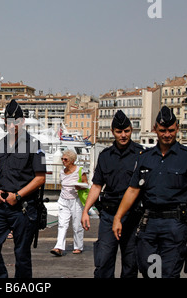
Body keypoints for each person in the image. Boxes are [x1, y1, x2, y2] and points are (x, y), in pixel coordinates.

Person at [112, 106, 187, 278]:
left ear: (177, 128)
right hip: (149, 225)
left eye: (171, 130)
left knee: (168, 273)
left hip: (175, 225)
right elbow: (133, 191)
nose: (167, 134)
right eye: (162, 130)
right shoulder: (145, 157)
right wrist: (118, 218)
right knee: (149, 271)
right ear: (155, 129)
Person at [0, 99, 46, 278]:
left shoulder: (34, 144)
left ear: (22, 121)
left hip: (23, 208)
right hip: (0, 206)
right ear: (5, 122)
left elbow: (40, 178)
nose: (11, 125)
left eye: (15, 122)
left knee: (22, 255)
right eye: (8, 122)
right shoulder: (1, 143)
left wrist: (18, 196)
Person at [81, 110, 143, 278]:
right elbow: (96, 186)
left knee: (131, 265)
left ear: (131, 130)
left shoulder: (141, 154)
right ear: (112, 131)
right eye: (119, 132)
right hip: (109, 215)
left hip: (132, 217)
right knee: (103, 263)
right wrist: (86, 210)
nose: (123, 135)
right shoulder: (105, 156)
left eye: (127, 131)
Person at [50, 149, 87, 256]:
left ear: (72, 160)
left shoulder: (80, 170)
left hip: (76, 200)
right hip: (63, 200)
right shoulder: (62, 172)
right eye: (62, 159)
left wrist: (79, 186)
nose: (63, 161)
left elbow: (86, 184)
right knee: (62, 224)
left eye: (65, 159)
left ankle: (78, 246)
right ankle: (59, 247)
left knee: (76, 225)